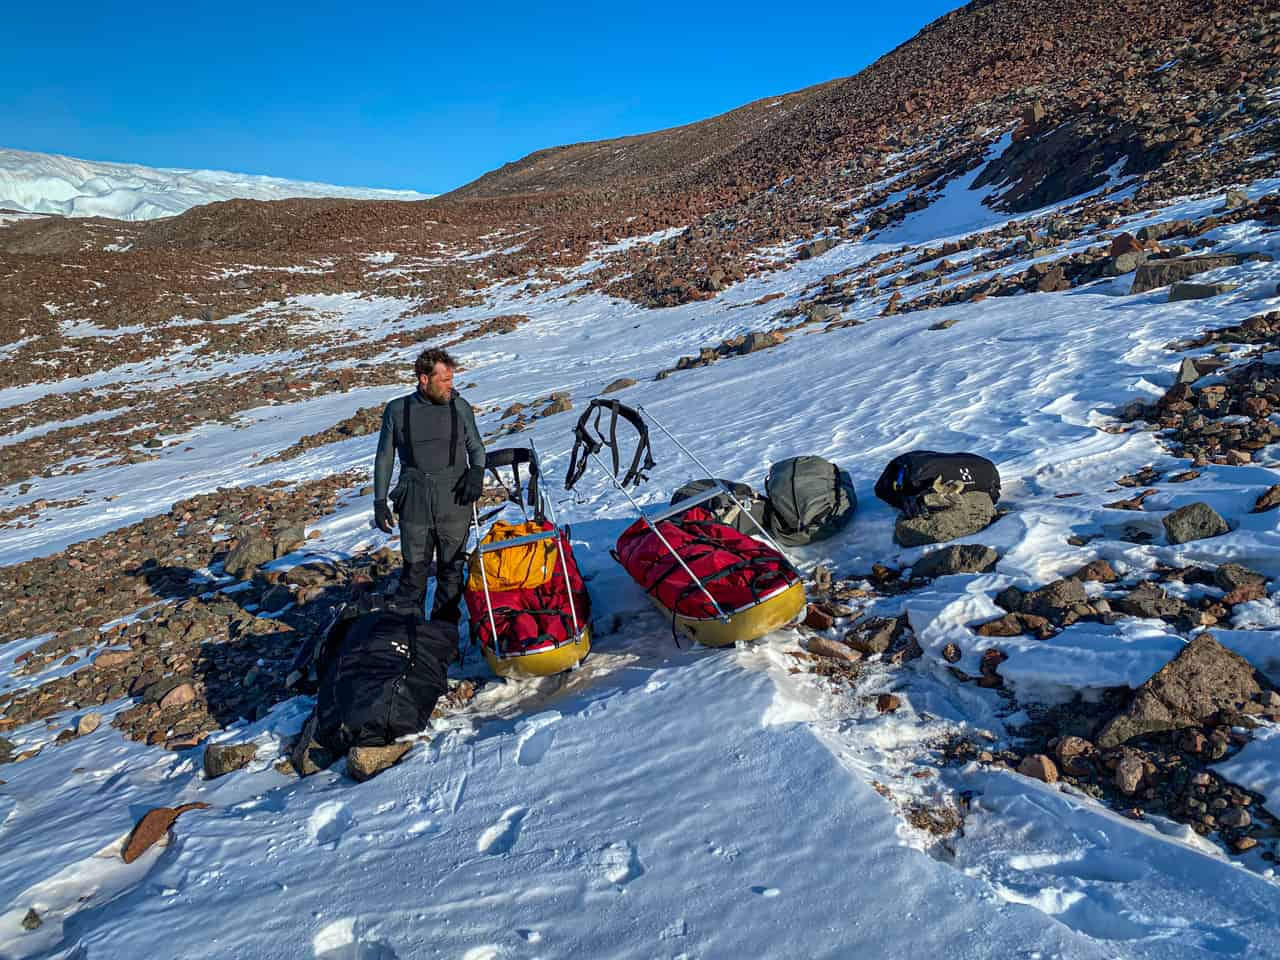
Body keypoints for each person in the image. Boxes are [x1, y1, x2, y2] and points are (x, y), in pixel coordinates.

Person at [373, 348, 485, 622]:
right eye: (444, 380)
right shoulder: (397, 410)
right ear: (424, 379)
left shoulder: (459, 407)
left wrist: (476, 473)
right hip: (414, 500)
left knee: (452, 572)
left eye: (451, 379)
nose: (450, 385)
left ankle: (443, 636)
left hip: (454, 499)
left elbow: (476, 447)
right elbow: (385, 456)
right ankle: (411, 636)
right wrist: (379, 500)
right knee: (414, 574)